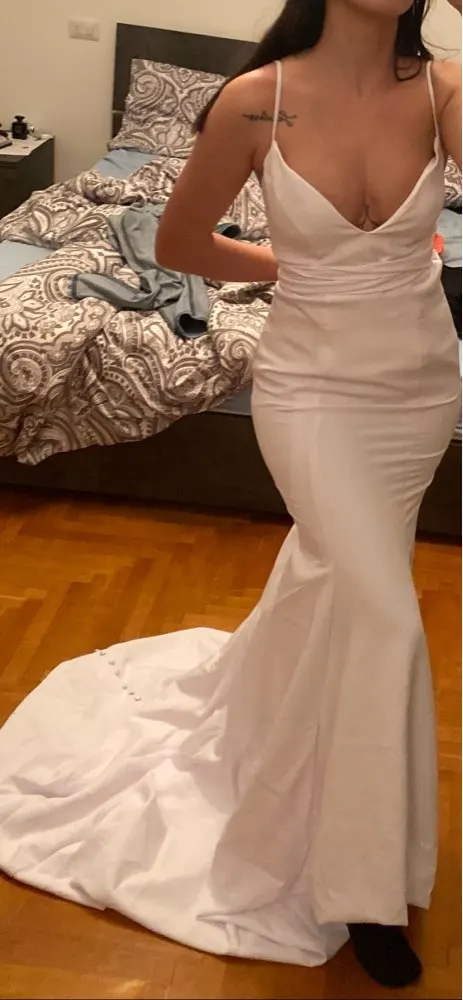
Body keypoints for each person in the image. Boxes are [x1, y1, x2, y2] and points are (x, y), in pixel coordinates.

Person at [0, 0, 461, 990]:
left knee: (348, 590)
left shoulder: (443, 90)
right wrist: (295, 264)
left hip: (418, 390)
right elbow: (179, 243)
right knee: (384, 614)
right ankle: (363, 889)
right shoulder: (257, 101)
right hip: (310, 393)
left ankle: (298, 755)